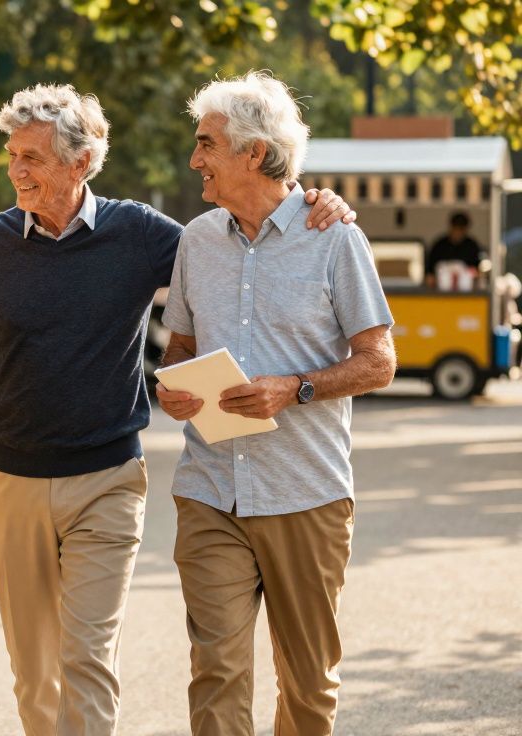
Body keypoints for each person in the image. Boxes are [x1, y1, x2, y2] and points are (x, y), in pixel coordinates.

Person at [0, 83, 355, 736]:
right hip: (11, 475)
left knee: (87, 657)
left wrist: (321, 200)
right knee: (35, 670)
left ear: (80, 163)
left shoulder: (142, 235)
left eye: (31, 157)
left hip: (109, 476)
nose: (14, 170)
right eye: (12, 155)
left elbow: (248, 230)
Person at [156, 71, 396, 736]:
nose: (195, 159)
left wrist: (293, 389)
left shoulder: (335, 238)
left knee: (308, 683)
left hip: (306, 493)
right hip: (209, 490)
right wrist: (174, 383)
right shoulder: (196, 240)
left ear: (254, 153)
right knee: (217, 672)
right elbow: (179, 345)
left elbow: (379, 361)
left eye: (207, 144)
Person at [425, 211, 483, 287]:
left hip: (466, 291)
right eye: (456, 228)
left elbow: (478, 269)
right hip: (440, 290)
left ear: (466, 229)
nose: (458, 232)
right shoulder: (440, 245)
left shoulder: (472, 246)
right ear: (451, 227)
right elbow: (430, 270)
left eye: (461, 229)